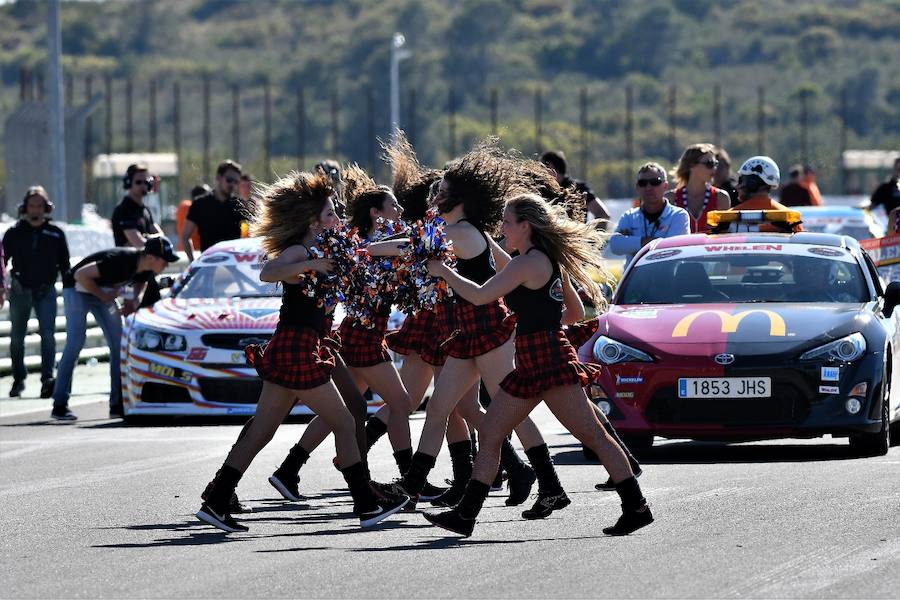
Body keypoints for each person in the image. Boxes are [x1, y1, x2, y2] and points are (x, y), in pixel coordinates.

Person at [423, 193, 653, 537]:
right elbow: (573, 314)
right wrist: (539, 321)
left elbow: (480, 295)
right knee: (490, 432)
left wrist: (443, 271)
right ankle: (466, 514)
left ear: (525, 225)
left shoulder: (526, 263)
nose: (503, 227)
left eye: (507, 221)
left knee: (594, 435)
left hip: (547, 360)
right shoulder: (540, 259)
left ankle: (637, 507)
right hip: (536, 358)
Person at [195, 170, 408, 533]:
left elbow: (361, 251)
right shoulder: (301, 248)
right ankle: (366, 504)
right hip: (297, 346)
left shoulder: (329, 248)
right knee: (342, 420)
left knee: (262, 430)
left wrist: (397, 246)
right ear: (313, 221)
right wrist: (308, 264)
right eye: (330, 214)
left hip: (300, 346)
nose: (337, 219)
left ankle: (217, 500)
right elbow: (268, 272)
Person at [371, 143, 565, 519]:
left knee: (512, 413)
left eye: (442, 191)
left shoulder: (458, 230)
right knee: (439, 407)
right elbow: (506, 264)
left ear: (457, 197)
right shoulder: (464, 229)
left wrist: (367, 249)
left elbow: (409, 246)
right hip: (466, 331)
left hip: (488, 328)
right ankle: (410, 488)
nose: (436, 195)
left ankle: (549, 484)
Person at [51, 236, 178, 421]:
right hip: (78, 289)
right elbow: (80, 274)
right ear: (151, 257)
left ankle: (117, 404)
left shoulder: (145, 269)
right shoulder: (120, 259)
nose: (166, 266)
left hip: (103, 292)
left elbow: (138, 286)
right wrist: (102, 295)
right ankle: (59, 404)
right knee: (75, 343)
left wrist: (131, 303)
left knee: (120, 345)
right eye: (165, 261)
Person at [2, 186, 70, 398]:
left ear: (46, 208)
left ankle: (47, 380)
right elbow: (2, 260)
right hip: (20, 290)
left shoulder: (56, 234)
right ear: (25, 208)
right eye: (32, 205)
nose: (35, 210)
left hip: (46, 290)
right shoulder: (14, 233)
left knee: (48, 337)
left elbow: (65, 265)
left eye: (39, 206)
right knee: (16, 337)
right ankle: (19, 379)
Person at [609, 163, 691, 267]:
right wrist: (653, 242)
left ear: (665, 186)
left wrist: (633, 243)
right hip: (636, 282)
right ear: (637, 187)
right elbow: (615, 245)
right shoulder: (628, 216)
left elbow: (673, 250)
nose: (648, 187)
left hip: (669, 280)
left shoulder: (678, 215)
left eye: (654, 182)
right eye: (643, 183)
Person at [112, 163, 165, 307]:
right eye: (138, 182)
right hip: (128, 276)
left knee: (155, 317)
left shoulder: (145, 210)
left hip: (146, 275)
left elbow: (161, 237)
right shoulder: (124, 210)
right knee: (131, 313)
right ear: (129, 182)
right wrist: (150, 239)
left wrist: (147, 238)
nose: (143, 186)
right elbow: (139, 244)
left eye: (146, 182)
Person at [182, 160, 245, 262]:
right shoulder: (200, 204)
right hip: (209, 266)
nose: (232, 184)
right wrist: (193, 263)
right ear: (219, 177)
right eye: (229, 180)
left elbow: (259, 230)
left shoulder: (239, 205)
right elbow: (185, 236)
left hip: (233, 266)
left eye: (236, 182)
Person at [667, 142, 731, 232]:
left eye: (715, 163)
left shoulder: (721, 197)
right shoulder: (671, 198)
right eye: (709, 163)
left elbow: (725, 236)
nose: (714, 168)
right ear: (691, 165)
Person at [540, 150, 610, 227]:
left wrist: (590, 236)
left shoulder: (579, 189)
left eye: (542, 167)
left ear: (551, 167)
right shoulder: (542, 189)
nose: (540, 171)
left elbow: (603, 215)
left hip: (576, 237)